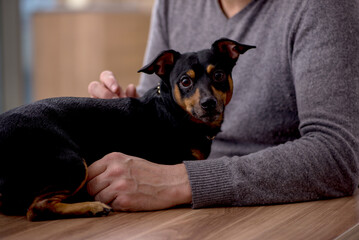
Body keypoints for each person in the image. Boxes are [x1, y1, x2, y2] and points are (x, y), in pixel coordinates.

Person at [86, 0, 359, 211]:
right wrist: (128, 115)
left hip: (282, 213)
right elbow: (161, 105)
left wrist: (182, 182)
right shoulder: (173, 3)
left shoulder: (322, 8)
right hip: (177, 209)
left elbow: (338, 156)